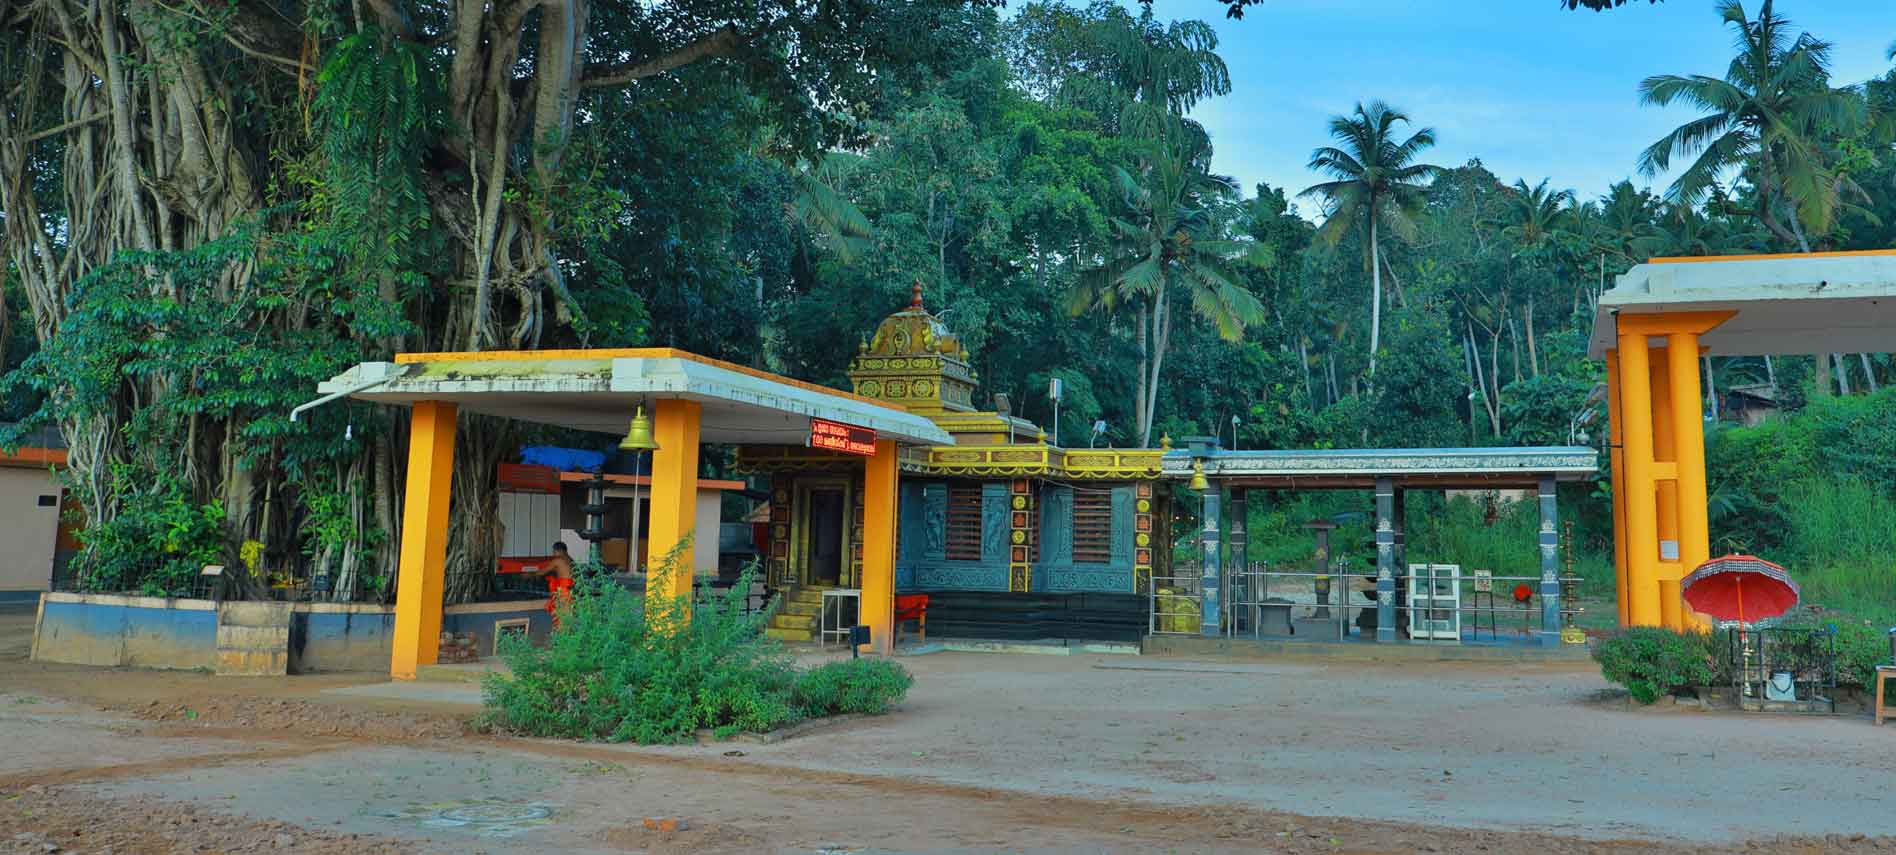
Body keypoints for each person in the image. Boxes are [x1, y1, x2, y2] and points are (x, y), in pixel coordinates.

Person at [532, 542, 577, 627]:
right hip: (571, 591)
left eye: (554, 551)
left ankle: (562, 636)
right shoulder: (571, 560)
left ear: (559, 550)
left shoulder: (558, 560)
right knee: (569, 615)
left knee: (561, 617)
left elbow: (542, 572)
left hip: (563, 593)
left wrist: (529, 574)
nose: (553, 554)